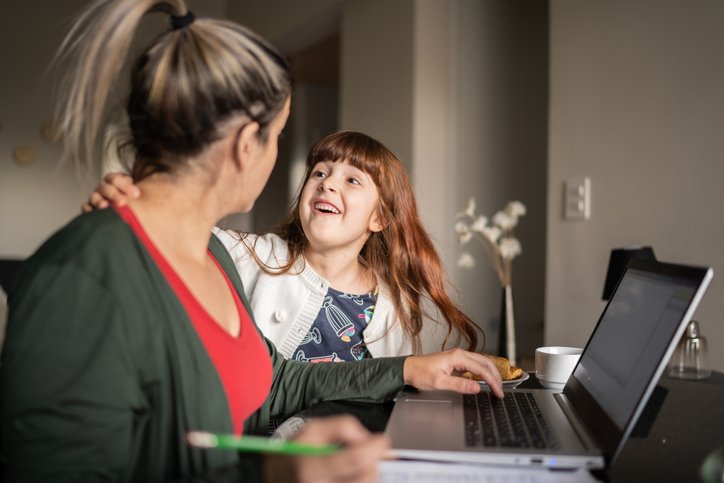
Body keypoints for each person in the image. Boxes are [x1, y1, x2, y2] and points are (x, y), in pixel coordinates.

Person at [0, 1, 502, 482]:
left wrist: (407, 368)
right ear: (246, 145)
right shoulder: (83, 277)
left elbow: (276, 380)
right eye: (279, 135)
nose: (325, 183)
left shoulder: (211, 255)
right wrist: (271, 474)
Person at [87, 130, 483, 362]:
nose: (328, 183)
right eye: (320, 173)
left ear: (379, 219)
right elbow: (178, 231)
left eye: (352, 180)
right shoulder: (254, 257)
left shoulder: (395, 307)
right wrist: (133, 202)